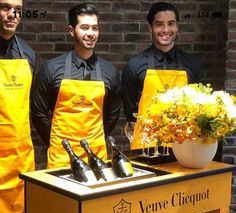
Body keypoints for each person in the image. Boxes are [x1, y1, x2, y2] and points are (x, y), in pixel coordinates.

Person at [31, 2, 121, 168]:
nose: (91, 33)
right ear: (71, 30)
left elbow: (112, 115)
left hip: (97, 155)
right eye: (85, 27)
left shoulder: (110, 71)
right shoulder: (52, 68)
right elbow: (38, 112)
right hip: (62, 156)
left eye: (95, 28)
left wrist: (96, 139)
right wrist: (56, 141)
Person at [122, 2, 201, 149]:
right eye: (159, 24)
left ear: (177, 26)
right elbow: (131, 113)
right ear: (150, 27)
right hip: (145, 148)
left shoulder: (192, 64)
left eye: (171, 24)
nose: (166, 30)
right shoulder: (134, 65)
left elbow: (196, 109)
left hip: (183, 147)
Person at [0, 1, 36, 213]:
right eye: (4, 7)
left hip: (16, 159)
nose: (12, 15)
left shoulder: (28, 54)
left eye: (18, 9)